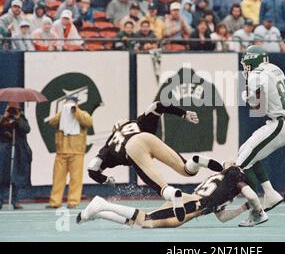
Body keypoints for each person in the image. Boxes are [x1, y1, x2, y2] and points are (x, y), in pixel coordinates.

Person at [87, 101, 223, 221]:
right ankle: (195, 161)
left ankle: (173, 194)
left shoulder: (107, 148)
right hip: (146, 137)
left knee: (161, 187)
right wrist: (183, 113)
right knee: (186, 169)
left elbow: (92, 169)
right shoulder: (137, 123)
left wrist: (105, 180)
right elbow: (158, 105)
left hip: (132, 149)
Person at [77, 165, 269, 228]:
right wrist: (258, 209)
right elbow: (251, 194)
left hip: (190, 201)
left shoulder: (223, 184)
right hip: (191, 206)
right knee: (146, 221)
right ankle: (102, 204)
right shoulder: (236, 182)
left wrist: (244, 208)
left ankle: (97, 213)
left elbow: (222, 217)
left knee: (139, 224)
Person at [238, 45, 285, 216]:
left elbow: (256, 107)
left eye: (246, 65)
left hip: (280, 124)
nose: (245, 69)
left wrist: (246, 96)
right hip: (281, 122)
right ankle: (270, 194)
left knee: (241, 164)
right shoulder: (274, 68)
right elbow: (263, 107)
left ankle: (256, 211)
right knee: (246, 152)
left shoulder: (256, 74)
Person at [46, 95, 93, 209]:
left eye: (72, 103)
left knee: (76, 179)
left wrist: (76, 111)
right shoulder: (62, 115)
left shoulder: (82, 114)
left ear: (77, 103)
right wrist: (63, 112)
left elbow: (88, 122)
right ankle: (55, 202)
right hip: (61, 151)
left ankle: (73, 201)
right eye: (68, 103)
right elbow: (51, 122)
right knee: (57, 178)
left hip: (77, 152)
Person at [0, 102, 32, 210]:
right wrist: (4, 116)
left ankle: (14, 200)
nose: (13, 111)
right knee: (2, 175)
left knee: (16, 176)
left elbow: (27, 129)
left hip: (18, 151)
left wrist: (18, 118)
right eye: (11, 109)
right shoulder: (3, 118)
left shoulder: (21, 118)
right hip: (4, 151)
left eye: (16, 109)